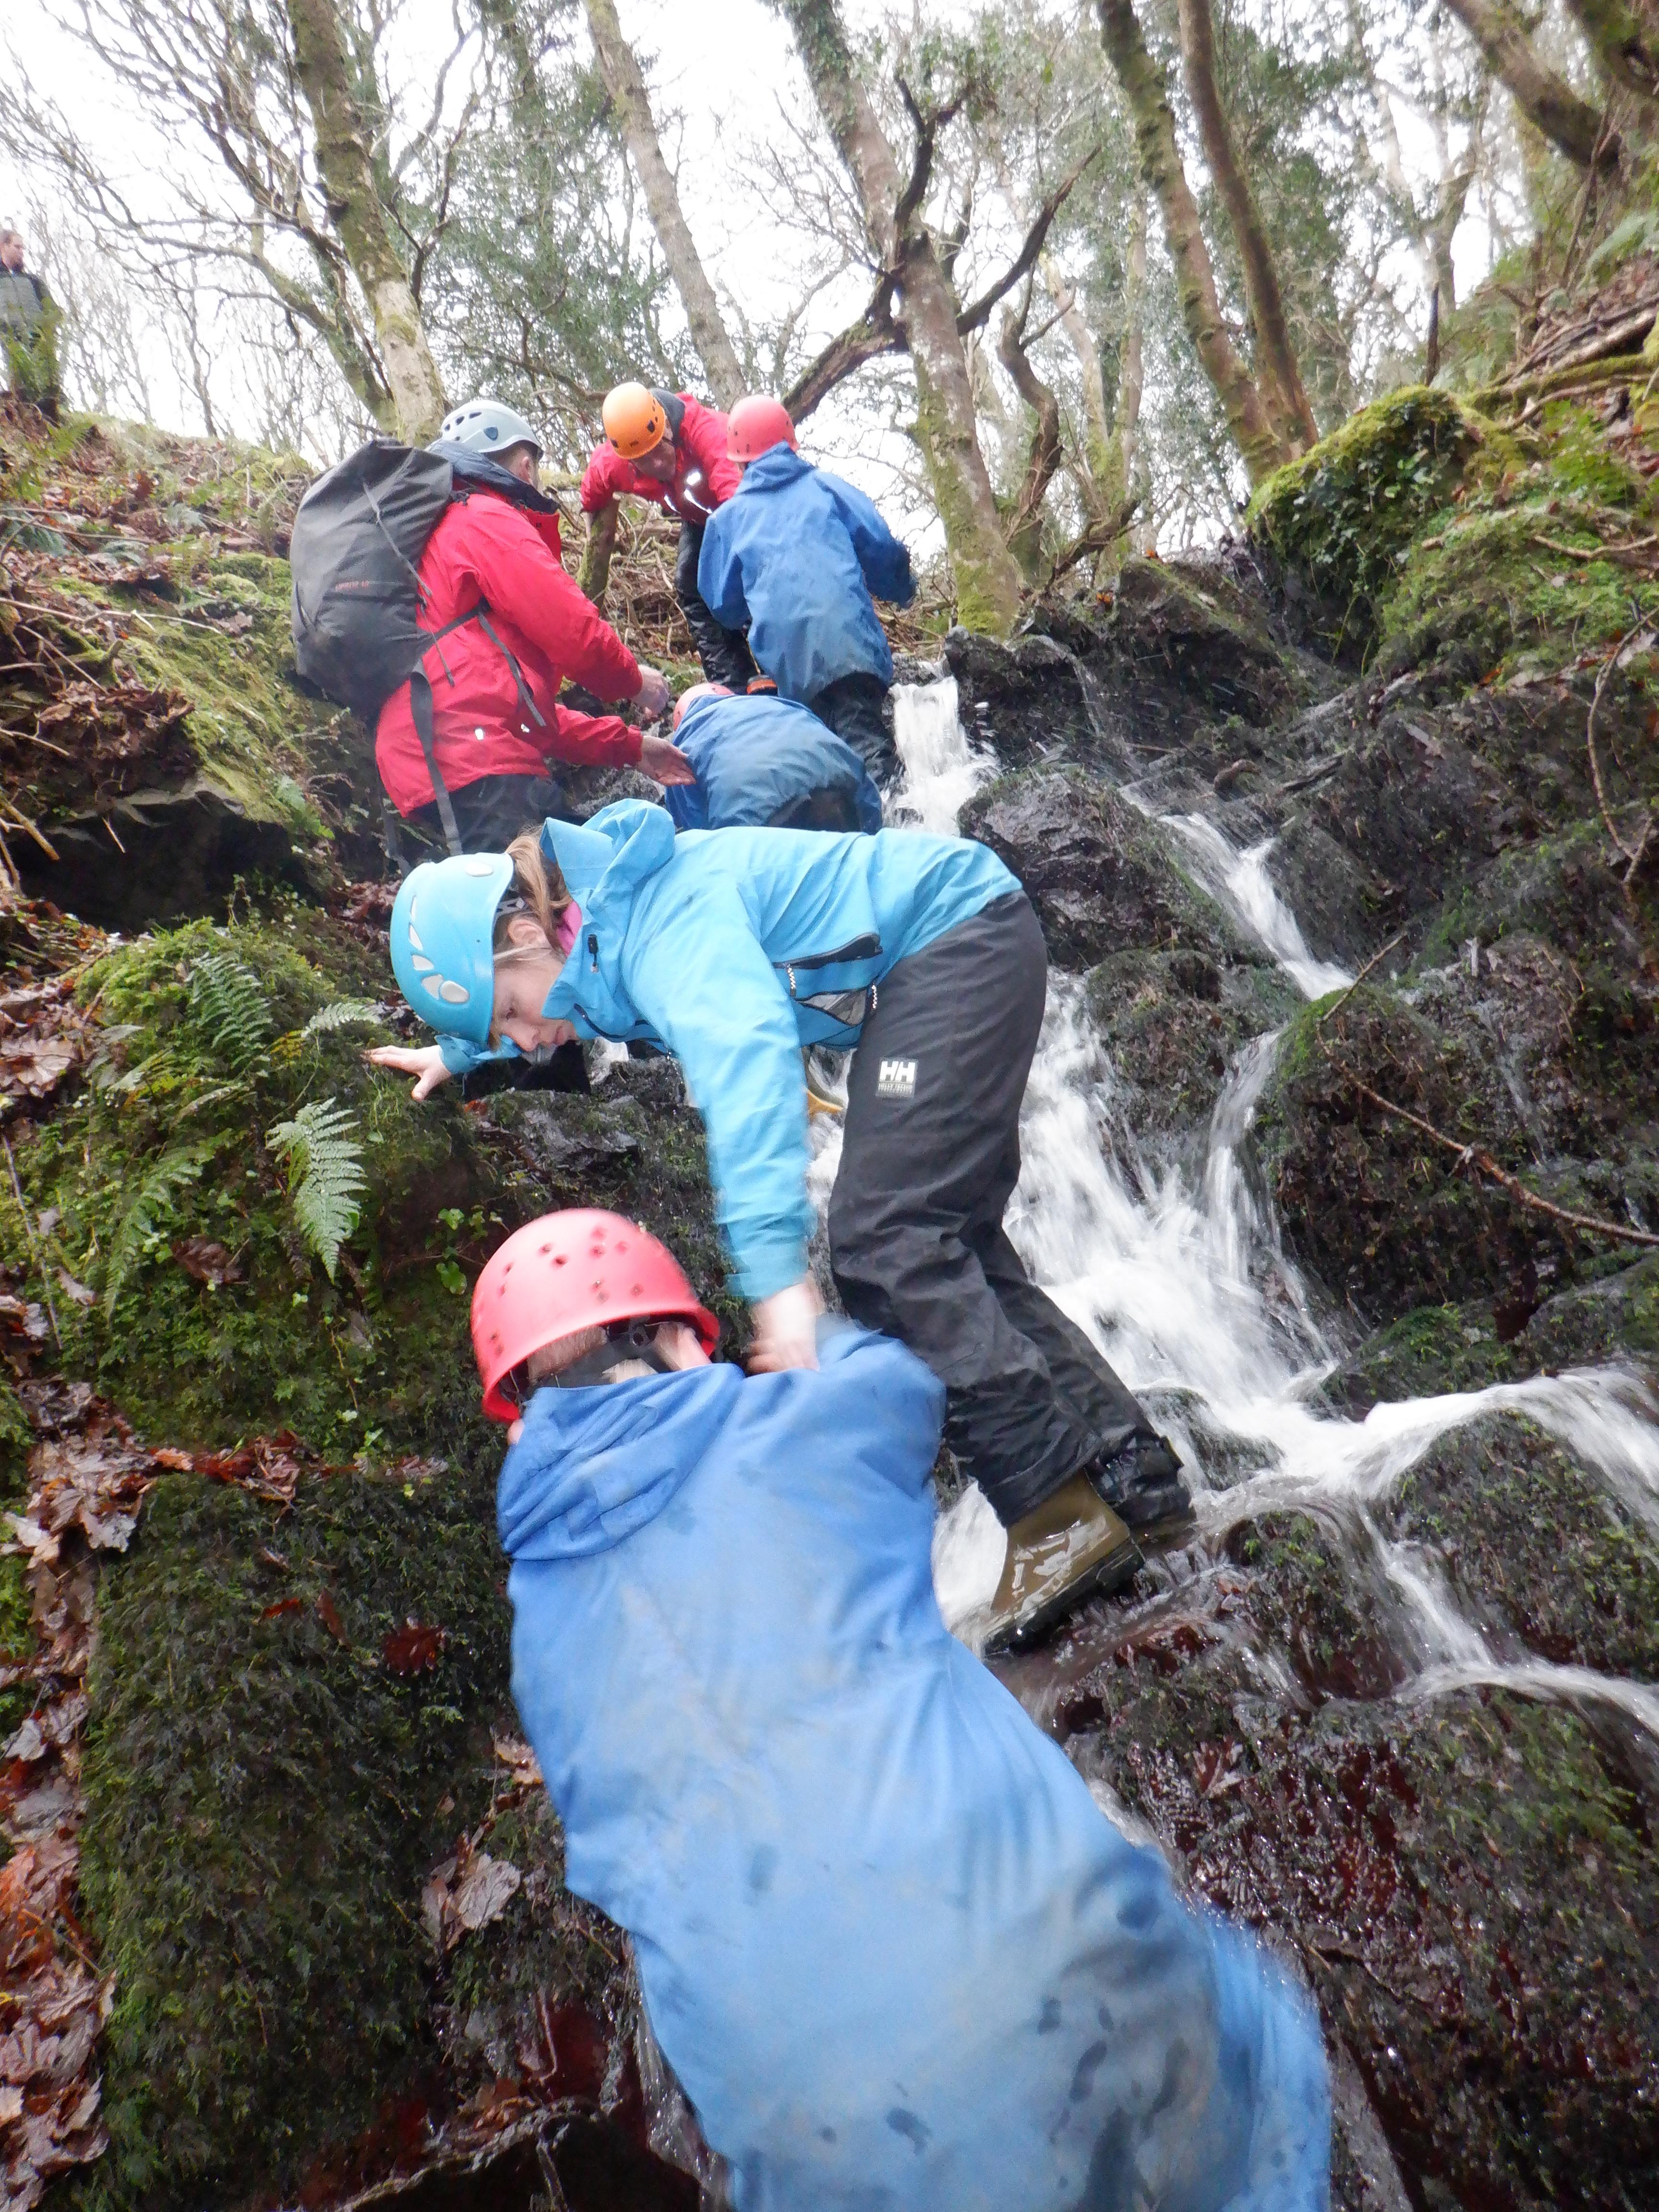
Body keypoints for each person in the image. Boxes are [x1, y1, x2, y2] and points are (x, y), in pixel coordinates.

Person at [478, 1206, 1332, 2212]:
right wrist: (798, 1330)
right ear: (675, 1337)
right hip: (1076, 1996)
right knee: (1258, 2037)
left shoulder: (538, 1645)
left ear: (521, 1418)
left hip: (818, 2157)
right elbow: (904, 1384)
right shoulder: (793, 1431)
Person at [369, 803, 1194, 1653]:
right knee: (946, 1240)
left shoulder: (663, 927)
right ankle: (1128, 1478)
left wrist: (776, 1279)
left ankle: (1058, 1517)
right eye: (503, 1030)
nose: (526, 1038)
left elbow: (749, 1063)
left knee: (886, 1242)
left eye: (510, 1010)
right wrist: (460, 1054)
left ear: (524, 931)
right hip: (946, 955)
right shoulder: (595, 934)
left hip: (955, 945)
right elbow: (551, 1003)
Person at [375, 397, 691, 855]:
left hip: (439, 754)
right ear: (526, 466)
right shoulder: (482, 518)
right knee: (559, 885)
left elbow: (533, 719)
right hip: (471, 757)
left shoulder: (440, 541)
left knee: (572, 873)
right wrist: (635, 684)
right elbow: (574, 632)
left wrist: (633, 747)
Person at [697, 396, 914, 787]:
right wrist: (902, 591)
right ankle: (900, 811)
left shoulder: (727, 522)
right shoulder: (827, 488)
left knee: (831, 767)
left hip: (792, 670)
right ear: (790, 444)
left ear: (739, 461)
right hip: (852, 648)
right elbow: (882, 548)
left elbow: (722, 606)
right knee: (869, 749)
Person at [579, 383, 757, 690]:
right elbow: (593, 489)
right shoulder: (615, 462)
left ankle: (781, 666)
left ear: (668, 430)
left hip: (747, 513)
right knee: (691, 584)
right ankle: (733, 686)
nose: (657, 465)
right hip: (700, 519)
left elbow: (739, 504)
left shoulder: (707, 432)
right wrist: (592, 526)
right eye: (644, 460)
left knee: (748, 577)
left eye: (659, 450)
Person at [664, 682, 881, 835]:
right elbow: (847, 761)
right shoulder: (779, 704)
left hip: (761, 830)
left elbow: (696, 833)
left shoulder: (682, 747)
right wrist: (873, 828)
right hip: (837, 798)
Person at [0, 230, 61, 421]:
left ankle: (50, 416)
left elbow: (52, 310)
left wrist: (47, 327)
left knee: (46, 384)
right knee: (22, 383)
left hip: (37, 337)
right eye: (17, 247)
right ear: (3, 247)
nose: (22, 252)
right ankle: (27, 416)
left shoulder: (32, 281)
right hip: (11, 338)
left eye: (23, 248)